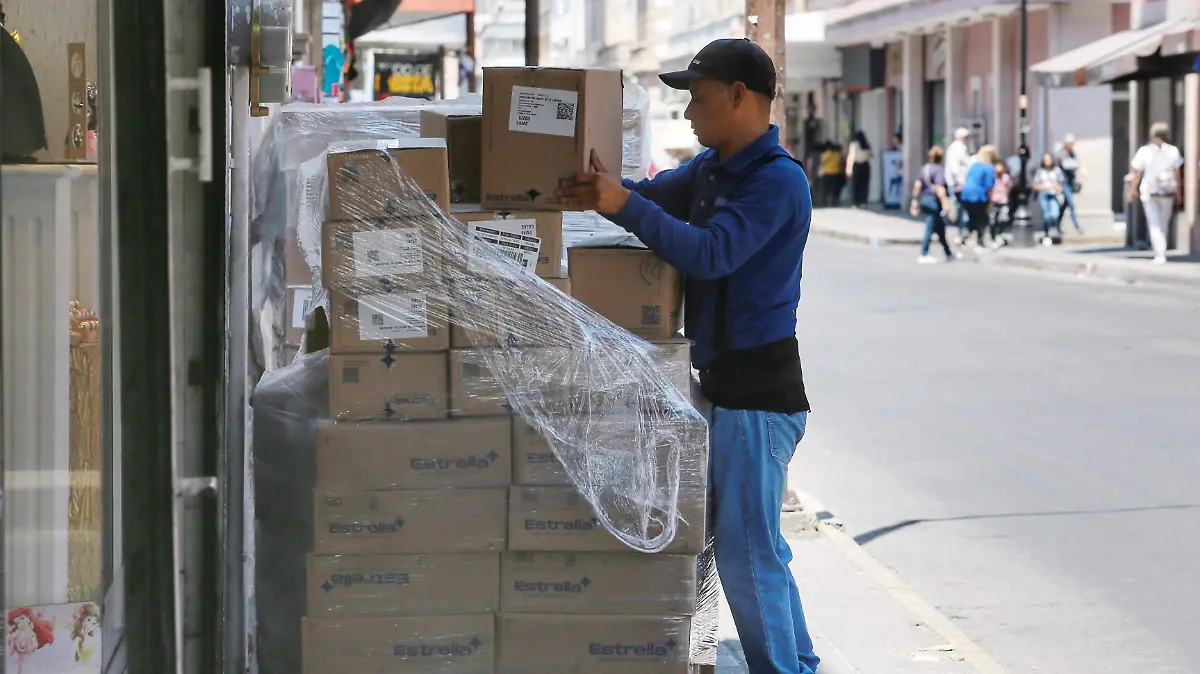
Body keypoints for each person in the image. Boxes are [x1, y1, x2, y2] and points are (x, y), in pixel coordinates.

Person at [558, 37, 818, 674]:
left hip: (758, 396)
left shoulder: (776, 181)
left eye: (699, 99)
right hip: (725, 386)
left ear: (739, 97)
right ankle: (800, 664)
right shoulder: (710, 171)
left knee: (747, 553)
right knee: (756, 548)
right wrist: (599, 188)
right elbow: (650, 197)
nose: (689, 112)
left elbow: (710, 253)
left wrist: (622, 203)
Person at [1130, 122, 1184, 264]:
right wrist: (1179, 192)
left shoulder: (1144, 151)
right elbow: (1177, 174)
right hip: (1168, 191)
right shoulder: (1173, 151)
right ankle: (1162, 250)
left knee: (1154, 223)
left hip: (1149, 190)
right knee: (1164, 222)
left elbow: (1137, 173)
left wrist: (1132, 189)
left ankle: (1160, 254)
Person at [910, 145, 955, 263]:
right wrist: (945, 204)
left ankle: (948, 253)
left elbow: (917, 186)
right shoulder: (938, 170)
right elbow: (940, 188)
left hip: (925, 200)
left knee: (940, 228)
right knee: (930, 227)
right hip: (933, 201)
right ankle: (924, 253)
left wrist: (915, 201)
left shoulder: (925, 168)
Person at [958, 145, 997, 252]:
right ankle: (980, 242)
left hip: (966, 194)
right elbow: (989, 186)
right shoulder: (989, 168)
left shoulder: (975, 165)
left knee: (973, 219)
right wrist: (990, 201)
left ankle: (964, 237)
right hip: (979, 196)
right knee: (982, 219)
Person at [945, 127, 973, 242]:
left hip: (957, 182)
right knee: (960, 208)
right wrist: (961, 181)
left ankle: (962, 231)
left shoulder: (956, 147)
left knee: (960, 208)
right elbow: (955, 167)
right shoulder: (958, 148)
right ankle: (962, 231)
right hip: (958, 183)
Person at [1032, 152, 1066, 245]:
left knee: (1054, 214)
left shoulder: (1057, 170)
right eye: (1045, 159)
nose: (1047, 161)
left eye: (1048, 159)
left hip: (1054, 194)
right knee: (1046, 216)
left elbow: (1060, 183)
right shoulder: (1040, 171)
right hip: (1044, 194)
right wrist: (1045, 186)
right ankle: (1046, 233)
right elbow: (1035, 185)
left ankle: (1054, 230)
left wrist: (1059, 193)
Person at [1056, 134, 1085, 234]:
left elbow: (1077, 165)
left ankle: (1056, 225)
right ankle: (1077, 227)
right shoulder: (1061, 154)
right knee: (1072, 205)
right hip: (1064, 182)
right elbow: (1064, 166)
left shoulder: (1073, 153)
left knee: (1064, 205)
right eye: (1071, 143)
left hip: (1071, 182)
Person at [989, 160, 1013, 248]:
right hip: (994, 201)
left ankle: (999, 234)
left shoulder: (1006, 177)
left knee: (1003, 218)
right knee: (992, 220)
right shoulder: (992, 177)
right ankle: (993, 236)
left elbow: (1009, 188)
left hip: (1003, 201)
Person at [846, 130, 873, 208]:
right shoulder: (867, 145)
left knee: (855, 185)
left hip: (856, 166)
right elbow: (871, 155)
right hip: (865, 166)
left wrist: (849, 168)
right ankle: (863, 201)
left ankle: (855, 202)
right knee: (864, 184)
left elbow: (851, 157)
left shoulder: (854, 145)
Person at [819, 141, 843, 207]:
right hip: (835, 173)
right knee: (834, 189)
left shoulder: (824, 154)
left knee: (825, 189)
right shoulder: (837, 155)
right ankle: (834, 203)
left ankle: (824, 203)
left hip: (826, 173)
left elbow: (822, 162)